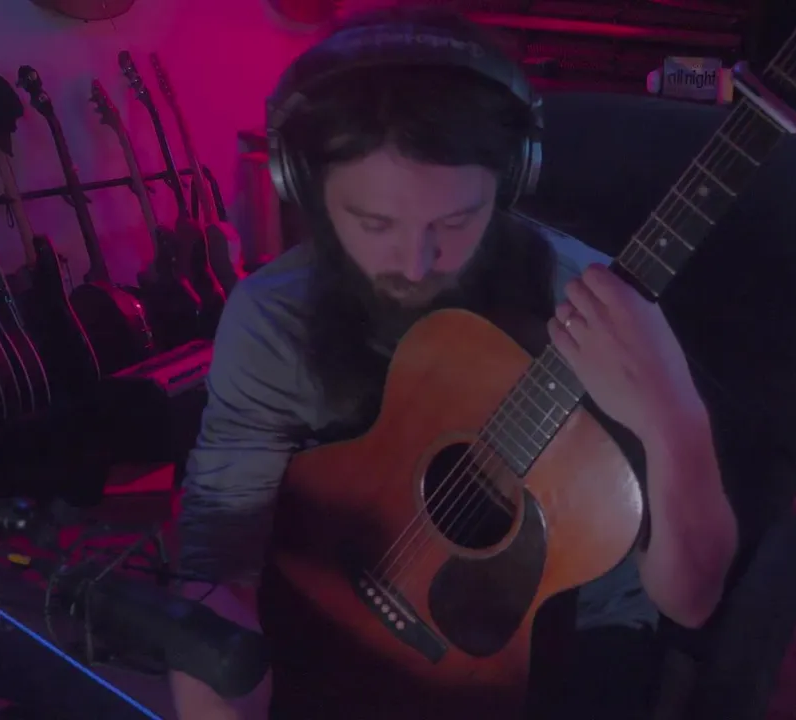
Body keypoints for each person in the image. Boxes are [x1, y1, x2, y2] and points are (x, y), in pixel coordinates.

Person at [169, 7, 737, 720]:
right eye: (375, 223)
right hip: (334, 603)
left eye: (456, 220)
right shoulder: (273, 319)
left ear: (511, 180)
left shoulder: (600, 313)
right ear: (303, 187)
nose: (416, 263)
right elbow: (219, 565)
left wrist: (674, 413)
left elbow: (690, 603)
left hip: (562, 635)